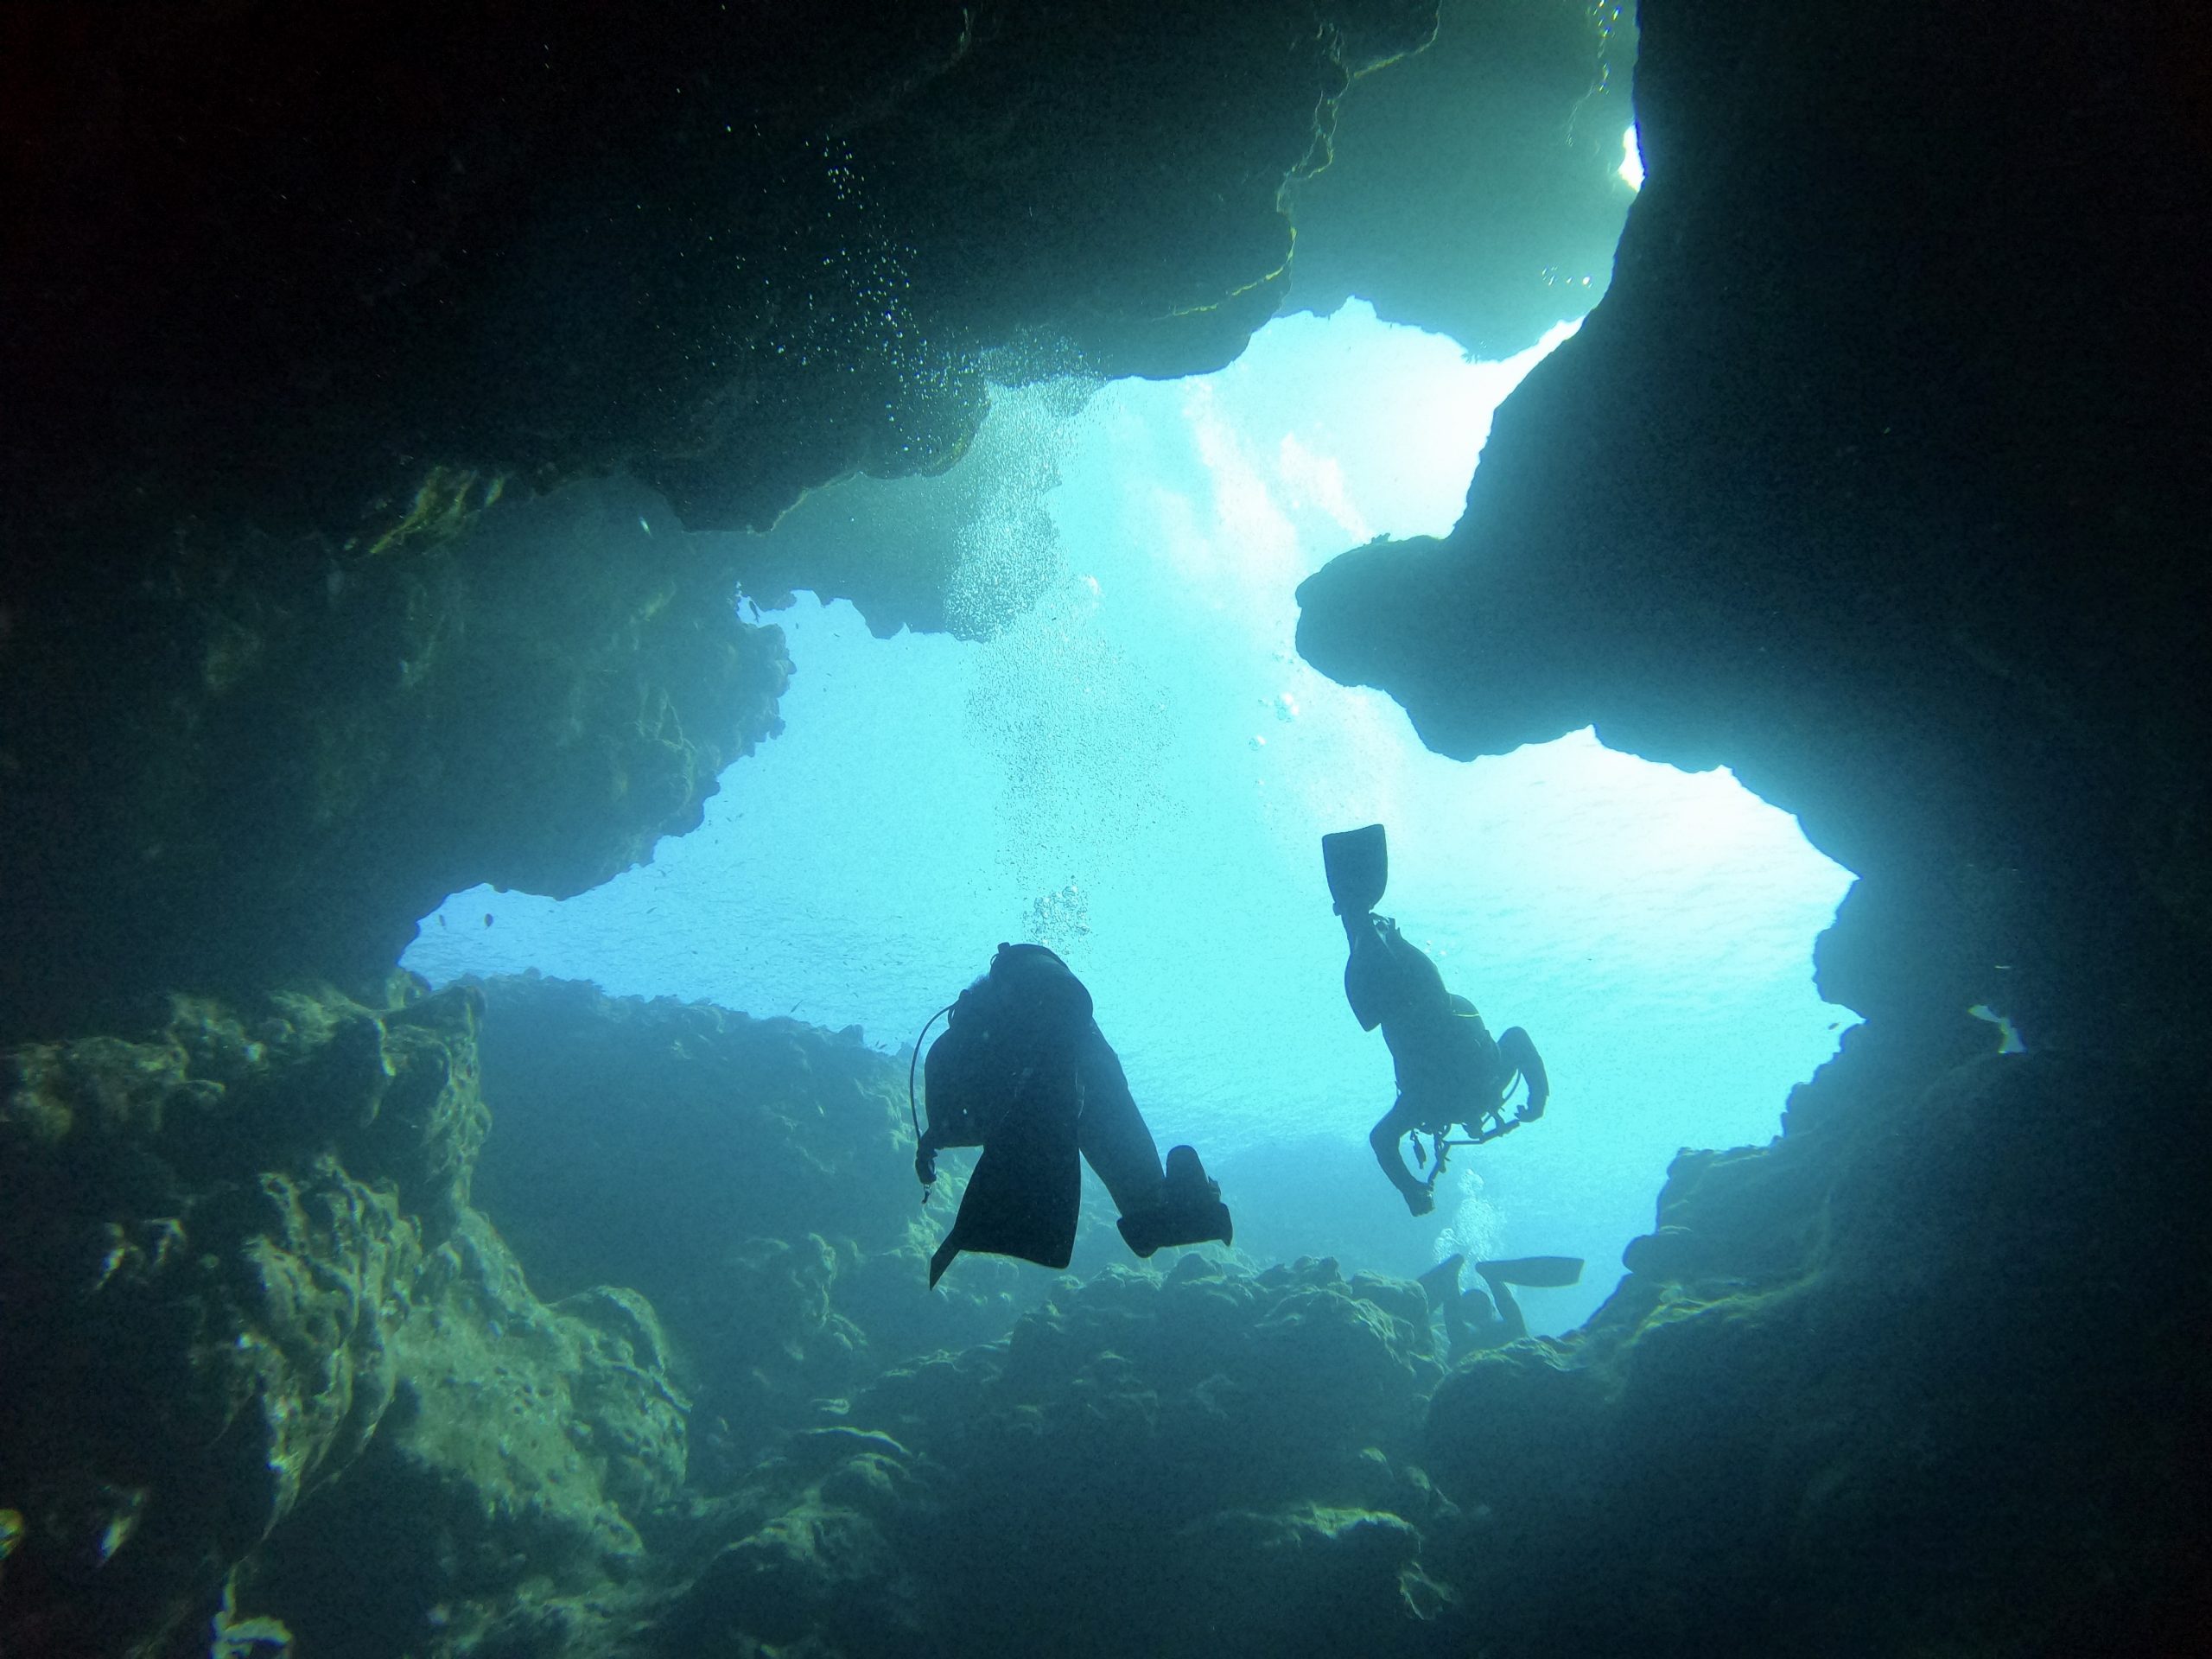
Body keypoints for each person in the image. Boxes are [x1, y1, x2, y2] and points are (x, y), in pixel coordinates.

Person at [912, 941, 1232, 1287]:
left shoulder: (959, 1044)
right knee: (1142, 1191)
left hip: (1063, 1069)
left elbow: (949, 1124)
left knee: (1067, 1112)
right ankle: (1173, 1213)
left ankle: (1156, 1220)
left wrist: (933, 1143)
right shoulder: (1044, 1014)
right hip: (1092, 1063)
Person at [1323, 823, 1551, 1216]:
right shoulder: (1432, 1104)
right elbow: (1381, 1140)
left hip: (1414, 1001)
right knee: (1362, 934)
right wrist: (1410, 1188)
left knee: (1364, 935)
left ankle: (1366, 920)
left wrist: (1537, 1095)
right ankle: (1365, 919)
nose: (1474, 1121)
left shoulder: (1438, 1100)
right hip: (1410, 1005)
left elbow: (1517, 1039)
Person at [1415, 1253, 1585, 1356]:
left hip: (1475, 1357)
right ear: (1492, 1310)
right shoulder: (1503, 1328)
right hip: (1503, 1351)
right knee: (1517, 1332)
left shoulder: (1465, 1336)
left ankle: (1451, 1281)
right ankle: (1491, 1277)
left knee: (1460, 1341)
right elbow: (1515, 1322)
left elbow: (1454, 1323)